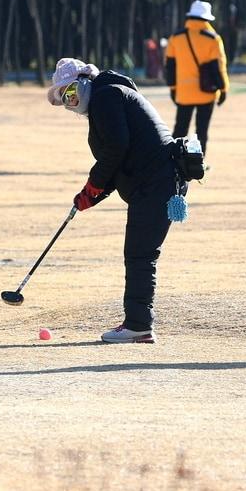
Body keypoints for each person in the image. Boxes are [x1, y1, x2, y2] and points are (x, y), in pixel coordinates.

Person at [48, 57, 178, 343]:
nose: (70, 103)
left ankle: (138, 325)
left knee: (140, 254)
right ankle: (138, 323)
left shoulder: (106, 96)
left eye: (69, 93)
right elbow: (118, 163)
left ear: (83, 82)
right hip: (154, 183)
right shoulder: (106, 99)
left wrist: (92, 187)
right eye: (64, 99)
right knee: (140, 253)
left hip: (156, 183)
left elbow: (117, 149)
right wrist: (89, 196)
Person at [164, 0, 229, 153]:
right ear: (207, 18)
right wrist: (223, 89)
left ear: (190, 17)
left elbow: (170, 66)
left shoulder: (175, 38)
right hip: (206, 93)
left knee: (180, 129)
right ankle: (198, 164)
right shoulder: (213, 39)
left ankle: (172, 161)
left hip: (183, 92)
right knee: (202, 131)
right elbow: (218, 67)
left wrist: (173, 88)